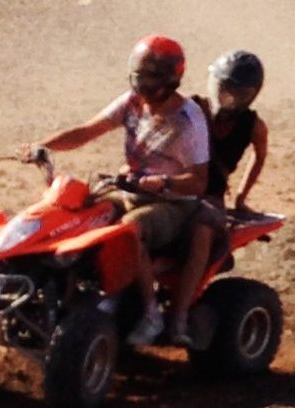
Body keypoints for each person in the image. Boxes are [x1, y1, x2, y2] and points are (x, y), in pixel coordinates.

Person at [21, 34, 217, 346]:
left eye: (152, 78)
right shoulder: (132, 103)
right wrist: (42, 145)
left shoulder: (188, 119)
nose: (144, 86)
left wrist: (163, 182)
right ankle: (63, 291)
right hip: (127, 190)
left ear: (171, 78)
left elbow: (198, 180)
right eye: (141, 76)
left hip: (172, 203)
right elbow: (87, 131)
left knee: (128, 231)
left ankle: (151, 314)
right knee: (75, 211)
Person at [193, 50, 268, 211]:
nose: (229, 99)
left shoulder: (253, 126)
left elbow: (260, 156)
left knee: (204, 230)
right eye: (225, 89)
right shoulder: (190, 110)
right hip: (172, 189)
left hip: (210, 199)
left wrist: (241, 197)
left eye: (239, 94)